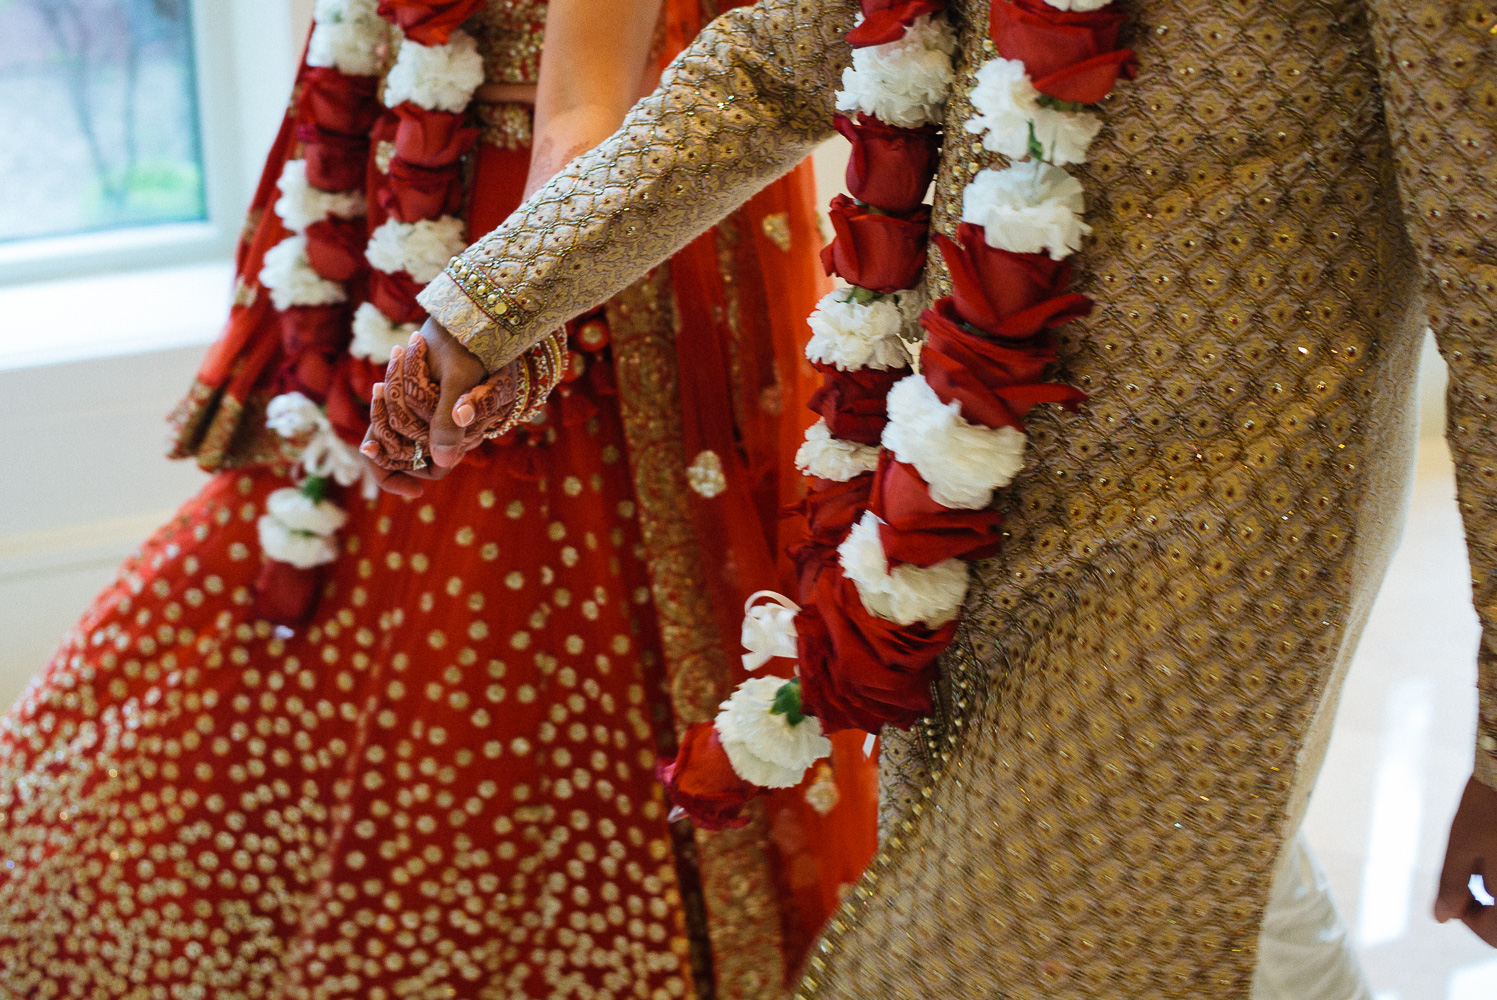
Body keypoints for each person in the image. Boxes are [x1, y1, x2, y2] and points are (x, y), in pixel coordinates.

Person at [363, 0, 1497, 996]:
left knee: (982, 950)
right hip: (952, 500)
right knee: (1163, 916)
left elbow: (1484, 267)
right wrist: (493, 303)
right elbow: (776, 63)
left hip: (1218, 526)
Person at [0, 1, 877, 995]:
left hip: (575, 235)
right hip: (410, 210)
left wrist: (516, 309)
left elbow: (581, 116)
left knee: (506, 645)